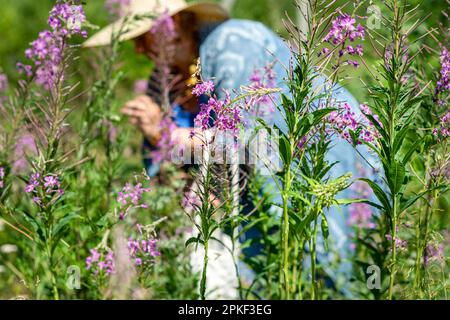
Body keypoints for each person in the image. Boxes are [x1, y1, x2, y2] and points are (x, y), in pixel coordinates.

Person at [84, 0, 373, 298]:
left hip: (324, 161)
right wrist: (159, 141)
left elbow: (254, 142)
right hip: (251, 201)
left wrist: (167, 133)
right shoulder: (167, 79)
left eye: (143, 37)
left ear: (177, 25)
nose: (139, 50)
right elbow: (169, 174)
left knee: (323, 275)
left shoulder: (233, 42)